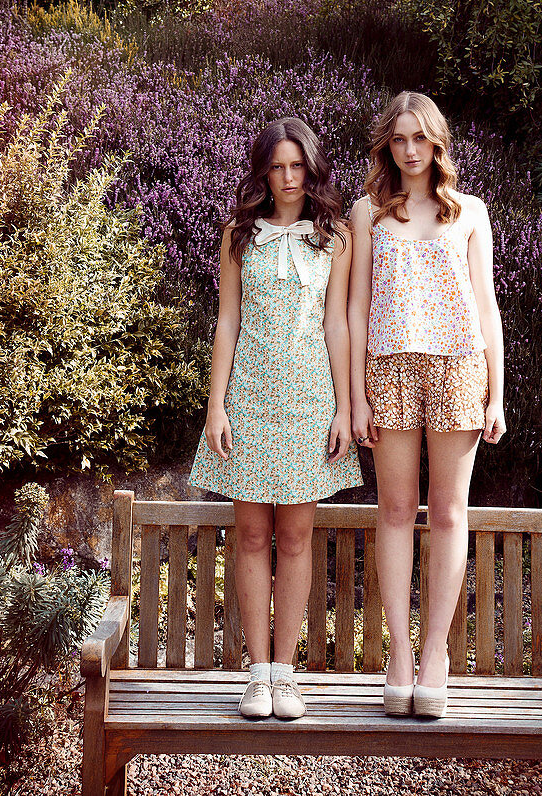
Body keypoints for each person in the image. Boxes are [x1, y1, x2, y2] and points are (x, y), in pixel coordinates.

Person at [189, 117, 362, 721]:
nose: (288, 178)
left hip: (309, 400)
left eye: (297, 166)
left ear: (310, 169)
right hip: (249, 399)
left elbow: (338, 325)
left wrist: (345, 407)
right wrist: (216, 406)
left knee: (294, 539)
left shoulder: (335, 237)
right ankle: (256, 674)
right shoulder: (238, 235)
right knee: (254, 537)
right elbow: (227, 323)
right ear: (263, 170)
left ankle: (286, 675)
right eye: (277, 166)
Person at [348, 91, 506, 718]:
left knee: (446, 513)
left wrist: (498, 392)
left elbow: (487, 306)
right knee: (392, 511)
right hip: (387, 369)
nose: (409, 151)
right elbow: (357, 306)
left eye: (419, 139)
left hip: (457, 368)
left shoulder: (469, 212)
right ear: (387, 144)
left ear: (437, 142)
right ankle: (400, 655)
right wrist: (356, 396)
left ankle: (435, 651)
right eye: (398, 140)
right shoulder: (367, 212)